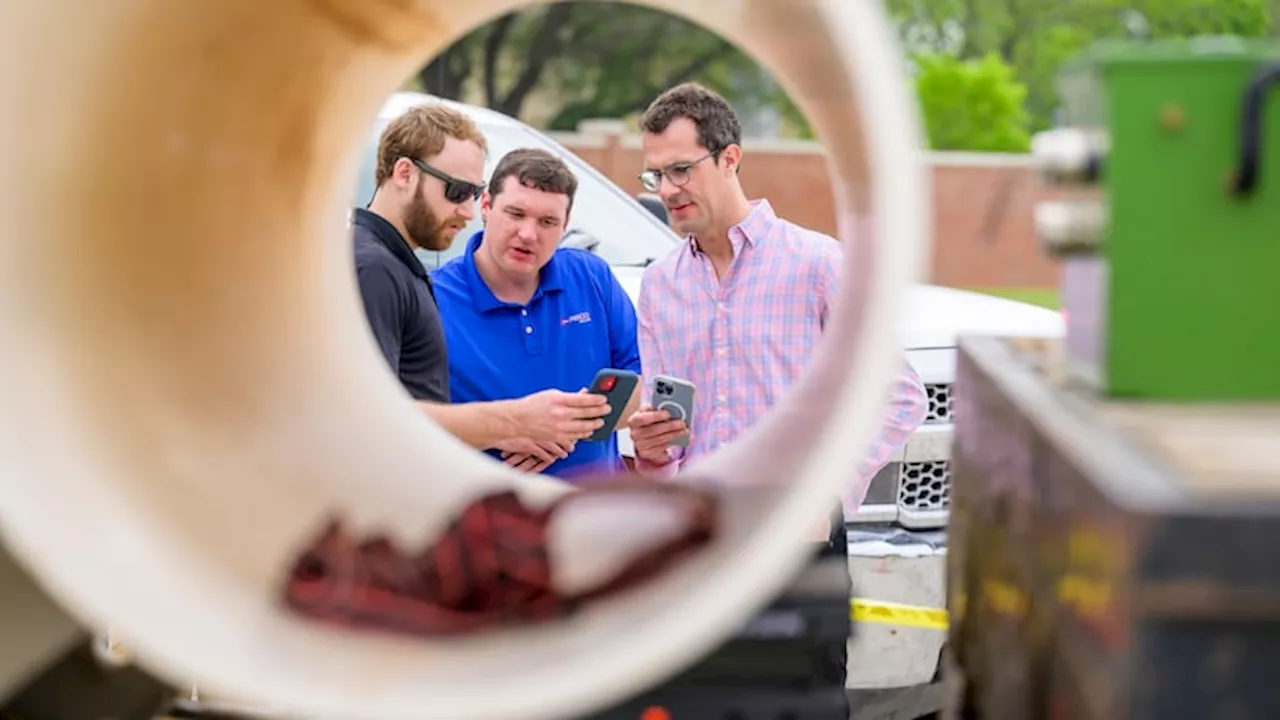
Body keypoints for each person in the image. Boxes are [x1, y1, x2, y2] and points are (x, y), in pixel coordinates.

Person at [623, 83, 929, 704]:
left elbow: (899, 395)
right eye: (656, 175)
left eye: (681, 169)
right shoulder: (659, 285)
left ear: (730, 159)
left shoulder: (818, 263)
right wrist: (652, 449)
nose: (669, 189)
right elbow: (668, 434)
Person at [353, 104, 611, 468]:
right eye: (457, 191)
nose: (468, 212)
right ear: (405, 173)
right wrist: (515, 420)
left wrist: (504, 430)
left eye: (473, 194)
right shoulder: (372, 268)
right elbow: (368, 419)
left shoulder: (394, 266)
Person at [430, 148, 642, 479]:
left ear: (566, 224)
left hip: (596, 513)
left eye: (547, 222)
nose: (529, 234)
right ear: (485, 205)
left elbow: (644, 380)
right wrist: (505, 427)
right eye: (516, 214)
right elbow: (402, 420)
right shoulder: (432, 298)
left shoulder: (591, 277)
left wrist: (565, 429)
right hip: (483, 519)